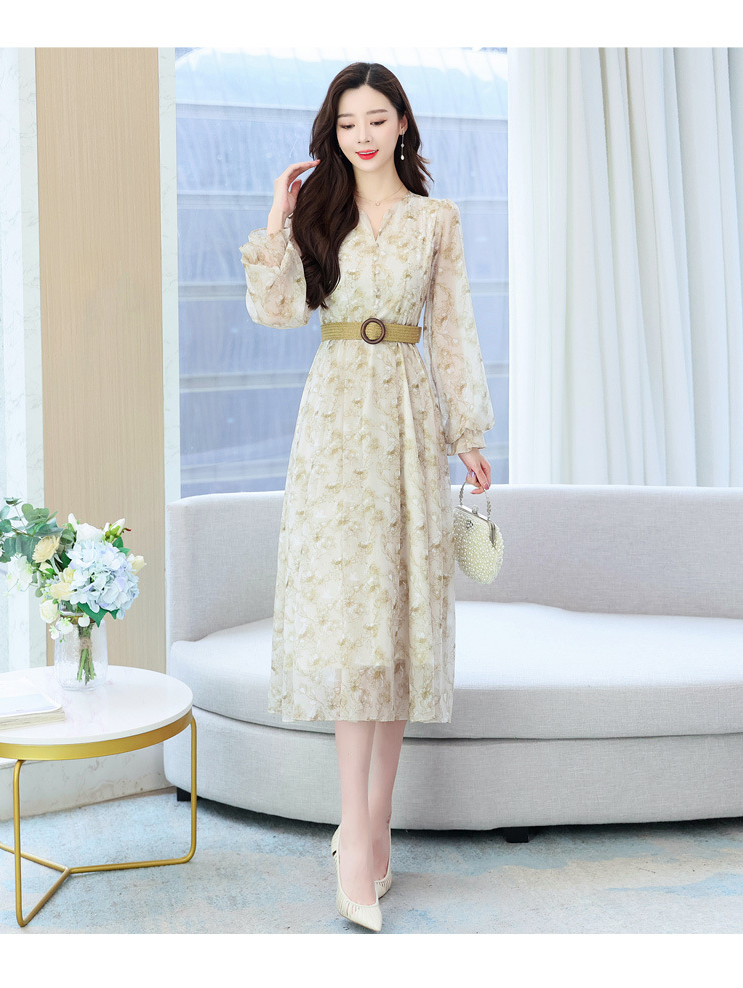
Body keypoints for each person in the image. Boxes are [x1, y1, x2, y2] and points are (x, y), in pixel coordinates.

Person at [239, 61, 495, 933]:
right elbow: (278, 312)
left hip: (411, 421)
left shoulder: (436, 220)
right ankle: (355, 838)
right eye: (347, 122)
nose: (362, 135)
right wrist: (277, 219)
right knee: (354, 628)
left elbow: (452, 327)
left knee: (395, 628)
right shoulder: (322, 214)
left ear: (402, 123)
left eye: (376, 119)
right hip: (336, 421)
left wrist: (468, 435)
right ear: (333, 131)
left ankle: (373, 827)